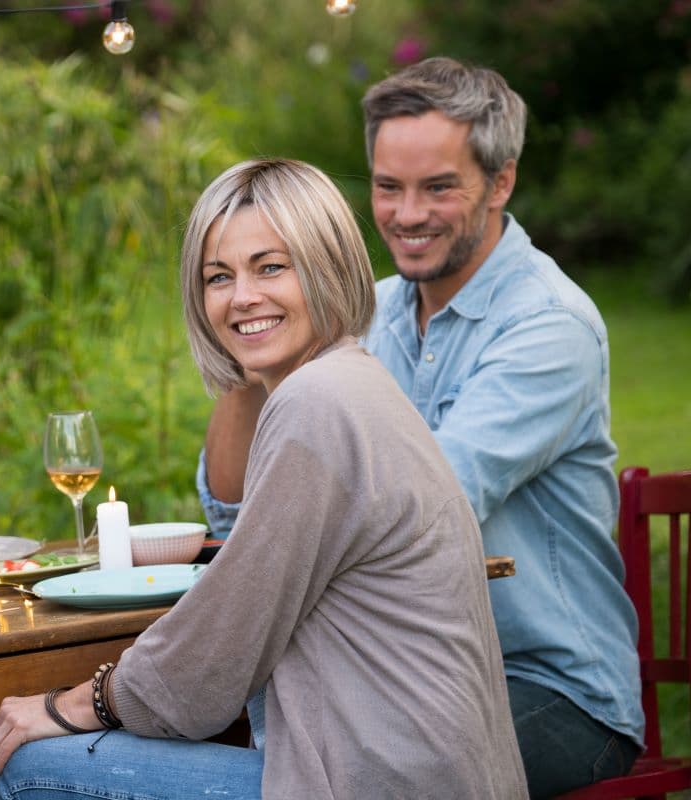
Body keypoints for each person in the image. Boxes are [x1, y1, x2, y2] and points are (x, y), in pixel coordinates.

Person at [0, 158, 527, 799]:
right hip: (438, 777)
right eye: (218, 276)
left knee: (25, 771)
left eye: (270, 267)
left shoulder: (316, 402)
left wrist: (69, 704)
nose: (242, 297)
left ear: (327, 267)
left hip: (375, 783)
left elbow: (210, 661)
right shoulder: (354, 380)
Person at [199, 58, 643, 797]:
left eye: (438, 187)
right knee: (235, 736)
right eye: (386, 186)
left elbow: (422, 509)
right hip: (399, 672)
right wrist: (250, 365)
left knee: (319, 768)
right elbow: (237, 510)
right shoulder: (364, 317)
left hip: (553, 689)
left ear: (500, 183)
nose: (406, 214)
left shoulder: (548, 327)